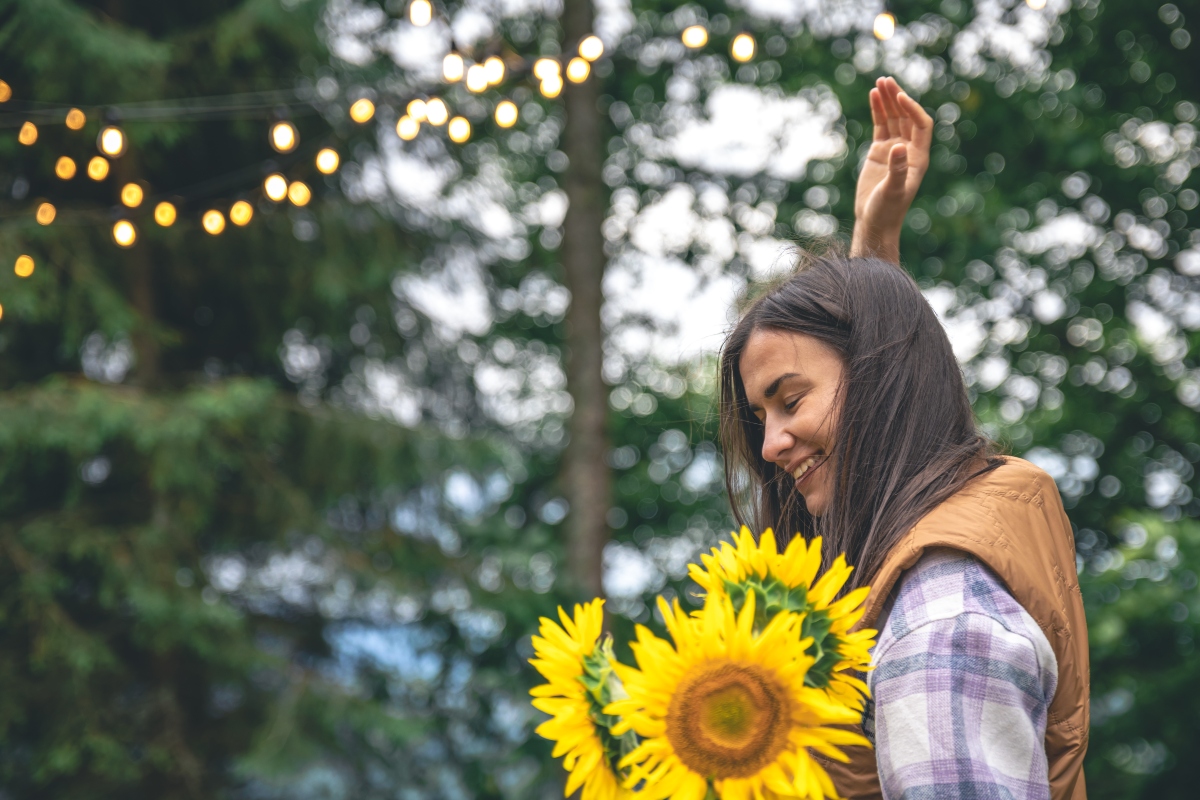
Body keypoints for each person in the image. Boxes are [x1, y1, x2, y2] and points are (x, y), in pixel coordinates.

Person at [717, 77, 1089, 800]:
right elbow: (884, 382)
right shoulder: (986, 512)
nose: (770, 446)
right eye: (761, 418)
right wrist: (874, 251)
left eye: (788, 401)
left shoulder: (940, 616)